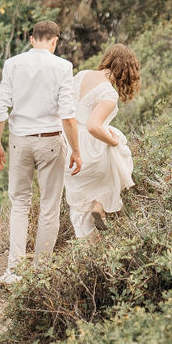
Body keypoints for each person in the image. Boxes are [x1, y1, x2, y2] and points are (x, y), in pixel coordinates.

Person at [0, 19, 81, 284]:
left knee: (19, 203)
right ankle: (41, 273)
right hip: (52, 141)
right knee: (49, 207)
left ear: (32, 40)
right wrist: (76, 149)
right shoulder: (63, 67)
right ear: (54, 41)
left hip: (20, 141)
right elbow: (68, 116)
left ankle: (14, 272)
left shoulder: (13, 64)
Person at [64, 43, 140, 240]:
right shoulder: (108, 94)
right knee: (119, 157)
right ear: (127, 70)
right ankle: (101, 205)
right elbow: (94, 126)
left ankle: (85, 247)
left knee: (80, 201)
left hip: (67, 142)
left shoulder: (82, 75)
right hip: (87, 148)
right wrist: (113, 142)